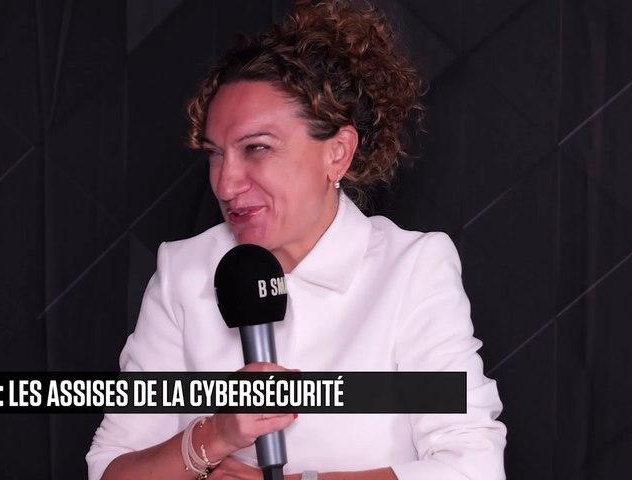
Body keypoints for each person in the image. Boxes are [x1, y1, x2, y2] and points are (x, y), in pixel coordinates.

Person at [86, 1, 507, 479]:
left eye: (257, 148)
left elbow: (473, 467)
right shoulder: (184, 271)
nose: (226, 184)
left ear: (338, 153)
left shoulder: (411, 269)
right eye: (215, 154)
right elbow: (109, 471)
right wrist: (214, 435)